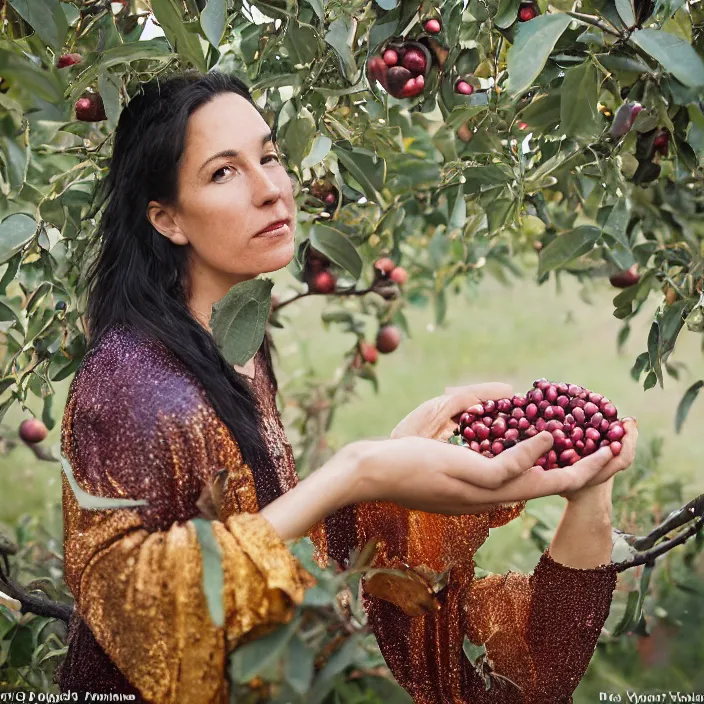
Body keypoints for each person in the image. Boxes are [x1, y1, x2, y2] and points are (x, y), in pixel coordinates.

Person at [55, 70, 637, 703]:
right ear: (166, 219)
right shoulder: (133, 389)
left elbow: (276, 543)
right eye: (223, 172)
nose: (270, 189)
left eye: (269, 157)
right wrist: (358, 473)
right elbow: (146, 625)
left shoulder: (235, 345)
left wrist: (399, 462)